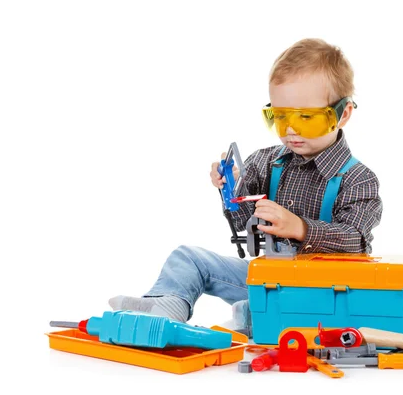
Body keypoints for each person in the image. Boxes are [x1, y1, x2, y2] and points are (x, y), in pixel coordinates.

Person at [108, 38, 383, 334]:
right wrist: (230, 189)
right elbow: (242, 222)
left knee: (268, 306)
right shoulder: (265, 163)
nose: (291, 130)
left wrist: (300, 228)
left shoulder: (358, 179)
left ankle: (253, 319)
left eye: (306, 117)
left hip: (324, 293)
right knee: (188, 257)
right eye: (280, 117)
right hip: (268, 279)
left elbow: (356, 239)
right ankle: (167, 306)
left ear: (343, 114)